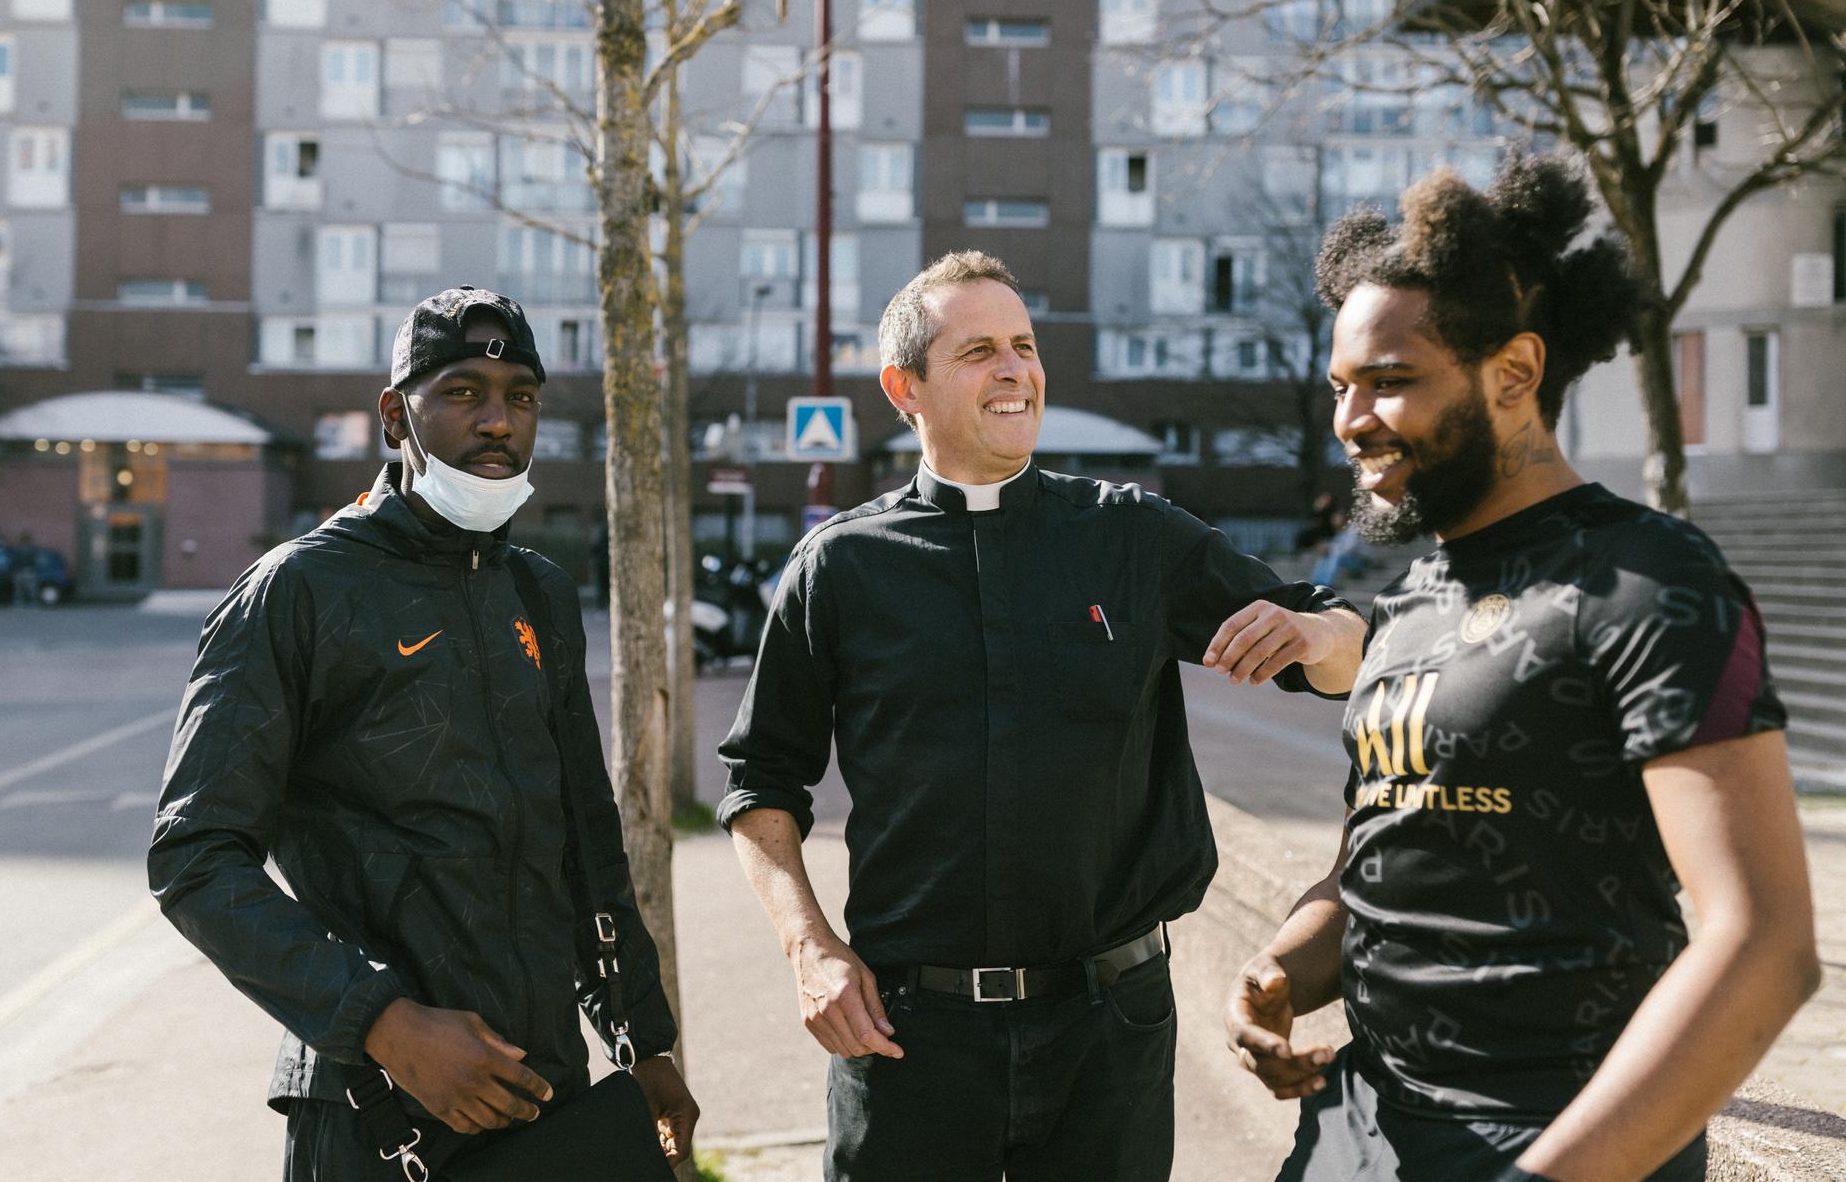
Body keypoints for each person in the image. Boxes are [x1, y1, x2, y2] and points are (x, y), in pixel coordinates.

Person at [1224, 154, 1819, 1182]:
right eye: (1341, 384)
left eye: (1391, 381)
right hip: (1357, 1130)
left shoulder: (1648, 579)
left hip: (1568, 1136)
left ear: (1515, 372)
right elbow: (1380, 859)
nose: (1349, 420)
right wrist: (1280, 966)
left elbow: (1764, 943)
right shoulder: (1407, 605)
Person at [719, 250, 1366, 1182]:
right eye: (979, 349)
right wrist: (810, 949)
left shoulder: (1133, 536)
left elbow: (1335, 649)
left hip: (1112, 1030)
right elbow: (758, 780)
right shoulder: (839, 569)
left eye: (1024, 345)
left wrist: (1319, 632)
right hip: (909, 1039)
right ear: (906, 386)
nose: (1016, 369)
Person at [149, 286, 699, 1179]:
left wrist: (643, 1038)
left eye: (520, 396)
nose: (497, 421)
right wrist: (384, 1025)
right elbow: (194, 858)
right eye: (462, 392)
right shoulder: (298, 592)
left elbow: (586, 843)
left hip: (545, 1091)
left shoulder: (540, 594)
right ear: (396, 414)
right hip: (377, 1110)